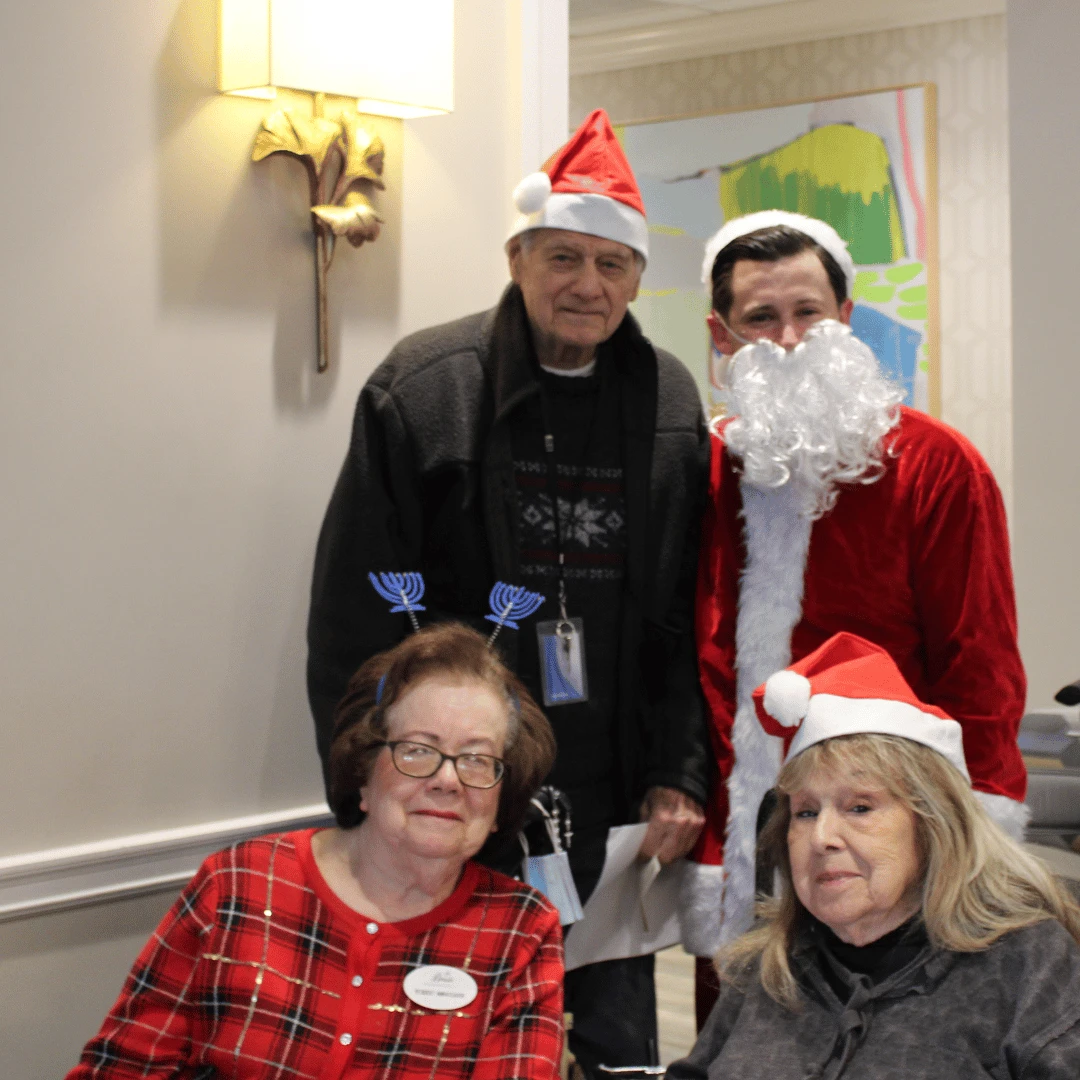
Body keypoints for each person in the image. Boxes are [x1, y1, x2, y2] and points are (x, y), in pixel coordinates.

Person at [307, 109, 710, 1075]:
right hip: (449, 794)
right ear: (518, 257)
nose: (588, 285)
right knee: (447, 1043)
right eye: (563, 257)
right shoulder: (427, 387)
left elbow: (687, 612)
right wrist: (373, 780)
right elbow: (358, 613)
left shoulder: (667, 399)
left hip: (611, 807)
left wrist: (680, 770)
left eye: (613, 265)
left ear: (638, 280)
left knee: (610, 1047)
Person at [684, 211, 1027, 1015]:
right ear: (722, 334)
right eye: (761, 319)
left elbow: (982, 663)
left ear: (846, 315)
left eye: (808, 312)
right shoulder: (703, 468)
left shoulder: (935, 465)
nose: (790, 338)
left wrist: (981, 819)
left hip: (895, 835)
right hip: (741, 826)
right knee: (742, 1039)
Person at [67, 624, 564, 1080]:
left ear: (502, 799)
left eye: (478, 760)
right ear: (364, 772)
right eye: (417, 749)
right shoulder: (239, 884)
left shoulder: (520, 932)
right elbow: (121, 1069)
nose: (447, 780)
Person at [668, 632, 1080, 1080]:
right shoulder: (765, 965)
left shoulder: (1027, 963)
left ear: (933, 825)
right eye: (805, 812)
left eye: (859, 807)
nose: (822, 836)